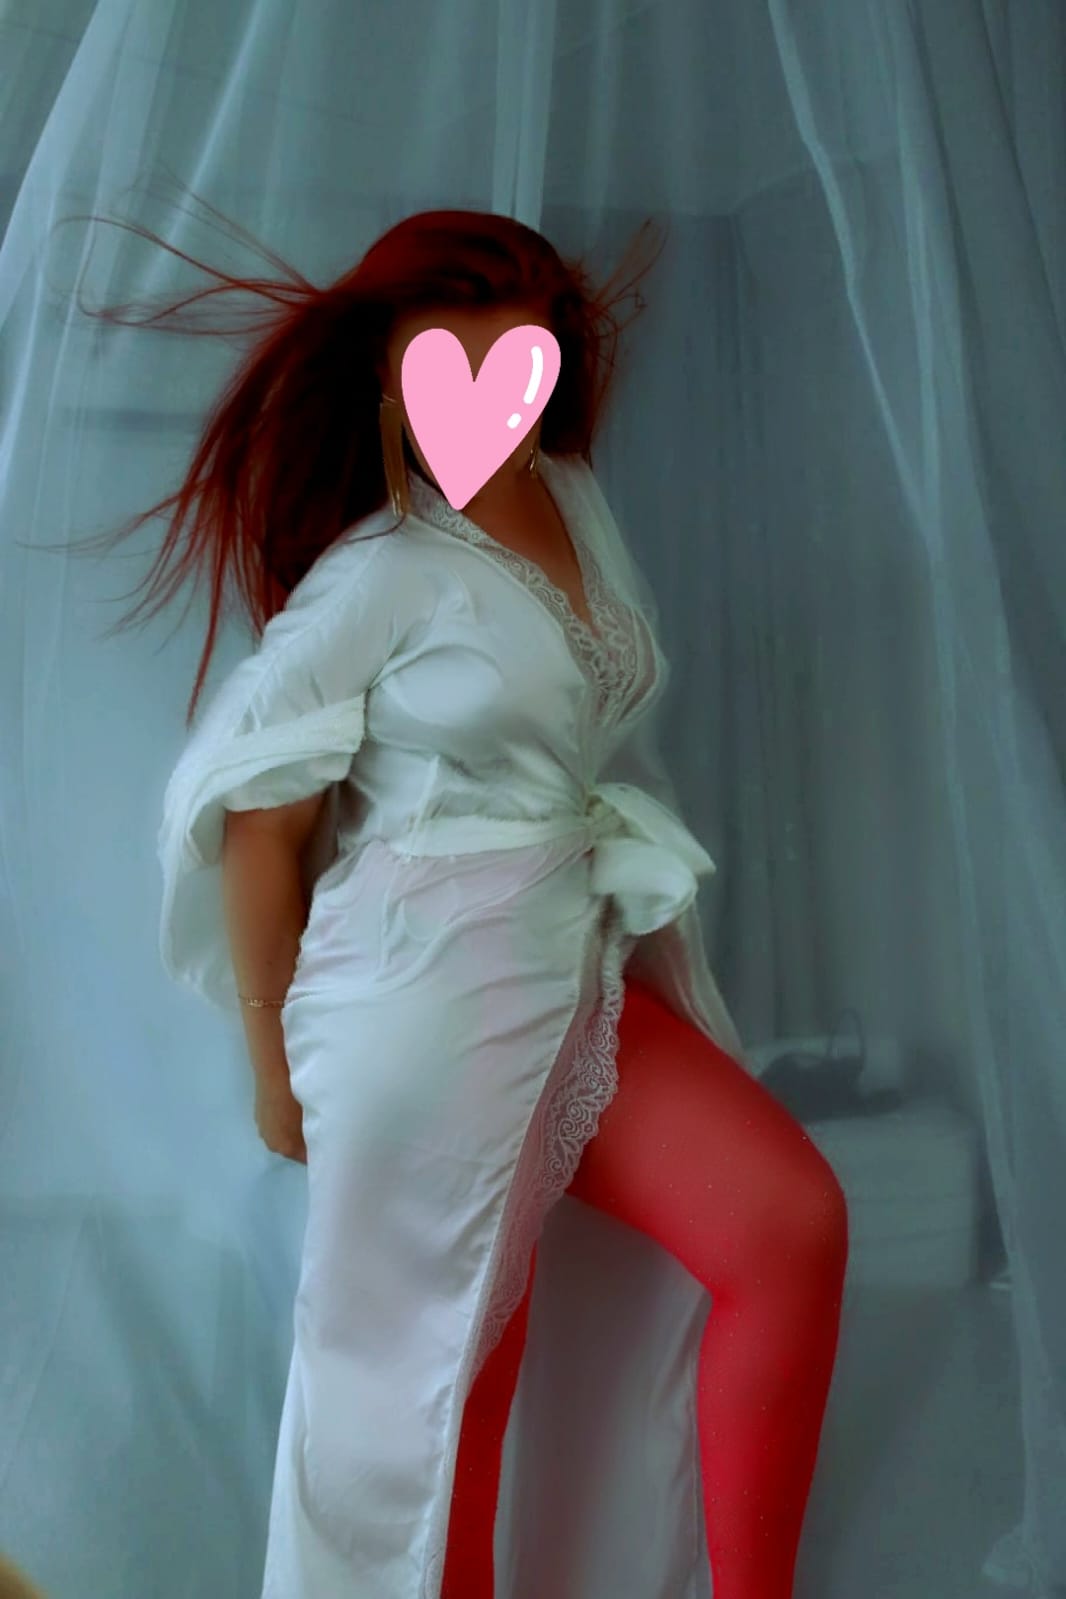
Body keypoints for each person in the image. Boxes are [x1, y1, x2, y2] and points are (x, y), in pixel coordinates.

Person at [70, 202, 849, 1598]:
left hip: (567, 955)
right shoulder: (379, 576)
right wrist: (271, 1064)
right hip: (420, 989)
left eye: (517, 364)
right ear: (386, 371)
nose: (483, 402)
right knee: (434, 1403)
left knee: (783, 1225)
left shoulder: (573, 500)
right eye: (443, 365)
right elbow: (260, 817)